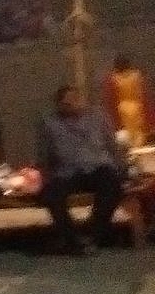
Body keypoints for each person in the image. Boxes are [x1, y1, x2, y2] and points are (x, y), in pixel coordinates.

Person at [38, 83, 130, 255]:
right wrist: (45, 176)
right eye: (67, 103)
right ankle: (72, 237)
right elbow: (44, 153)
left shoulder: (98, 116)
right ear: (59, 105)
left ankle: (92, 233)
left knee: (113, 186)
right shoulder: (49, 122)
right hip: (68, 171)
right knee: (50, 194)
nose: (72, 105)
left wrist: (122, 167)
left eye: (75, 100)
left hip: (98, 167)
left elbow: (112, 145)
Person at [107, 55, 146, 149]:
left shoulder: (115, 78)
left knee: (127, 128)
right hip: (136, 104)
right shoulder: (136, 75)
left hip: (122, 105)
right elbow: (140, 91)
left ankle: (130, 146)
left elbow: (113, 94)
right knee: (137, 128)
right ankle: (138, 146)